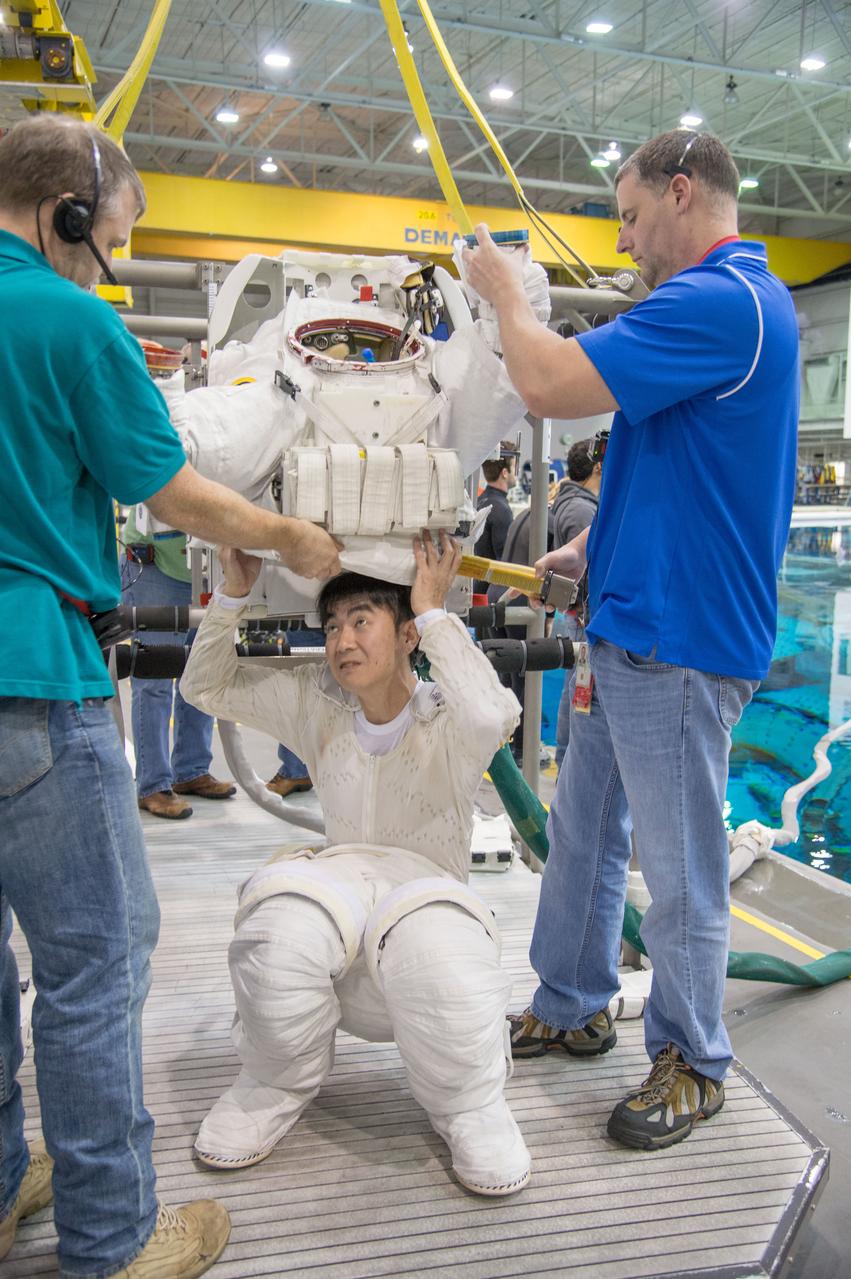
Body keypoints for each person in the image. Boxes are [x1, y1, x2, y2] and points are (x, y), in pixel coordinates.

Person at [0, 114, 340, 1277]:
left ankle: (3, 1187)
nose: (106, 271)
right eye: (109, 247)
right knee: (97, 967)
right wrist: (287, 529)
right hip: (33, 687)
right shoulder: (64, 317)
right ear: (71, 216)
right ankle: (113, 1243)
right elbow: (174, 491)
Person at [463, 130, 798, 1150]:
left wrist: (504, 295)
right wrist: (591, 553)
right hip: (631, 617)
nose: (622, 236)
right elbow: (661, 462)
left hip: (684, 641)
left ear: (680, 192)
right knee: (583, 836)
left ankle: (693, 1059)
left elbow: (545, 385)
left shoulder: (723, 299)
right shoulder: (711, 308)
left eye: (627, 213)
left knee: (682, 861)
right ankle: (569, 1001)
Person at [179, 531, 530, 1196]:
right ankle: (272, 1082)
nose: (342, 640)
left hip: (425, 944)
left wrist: (432, 610)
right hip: (337, 932)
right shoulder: (316, 702)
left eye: (362, 620)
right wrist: (232, 589)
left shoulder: (448, 718)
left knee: (435, 944)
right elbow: (205, 685)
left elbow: (496, 711)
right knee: (278, 924)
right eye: (333, 623)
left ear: (404, 636)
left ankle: (471, 1104)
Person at [122, 522, 237, 819]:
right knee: (153, 679)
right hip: (156, 567)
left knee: (201, 673)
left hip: (208, 571)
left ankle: (191, 770)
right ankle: (153, 785)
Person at [550, 439, 602, 767]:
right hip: (584, 619)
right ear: (598, 466)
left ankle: (567, 761)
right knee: (579, 695)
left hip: (578, 616)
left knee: (575, 689)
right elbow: (583, 575)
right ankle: (569, 763)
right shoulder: (583, 510)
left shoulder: (573, 504)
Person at [473, 445, 517, 593]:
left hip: (478, 586)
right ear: (505, 473)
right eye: (514, 468)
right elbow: (505, 562)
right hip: (489, 592)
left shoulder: (480, 500)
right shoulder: (500, 510)